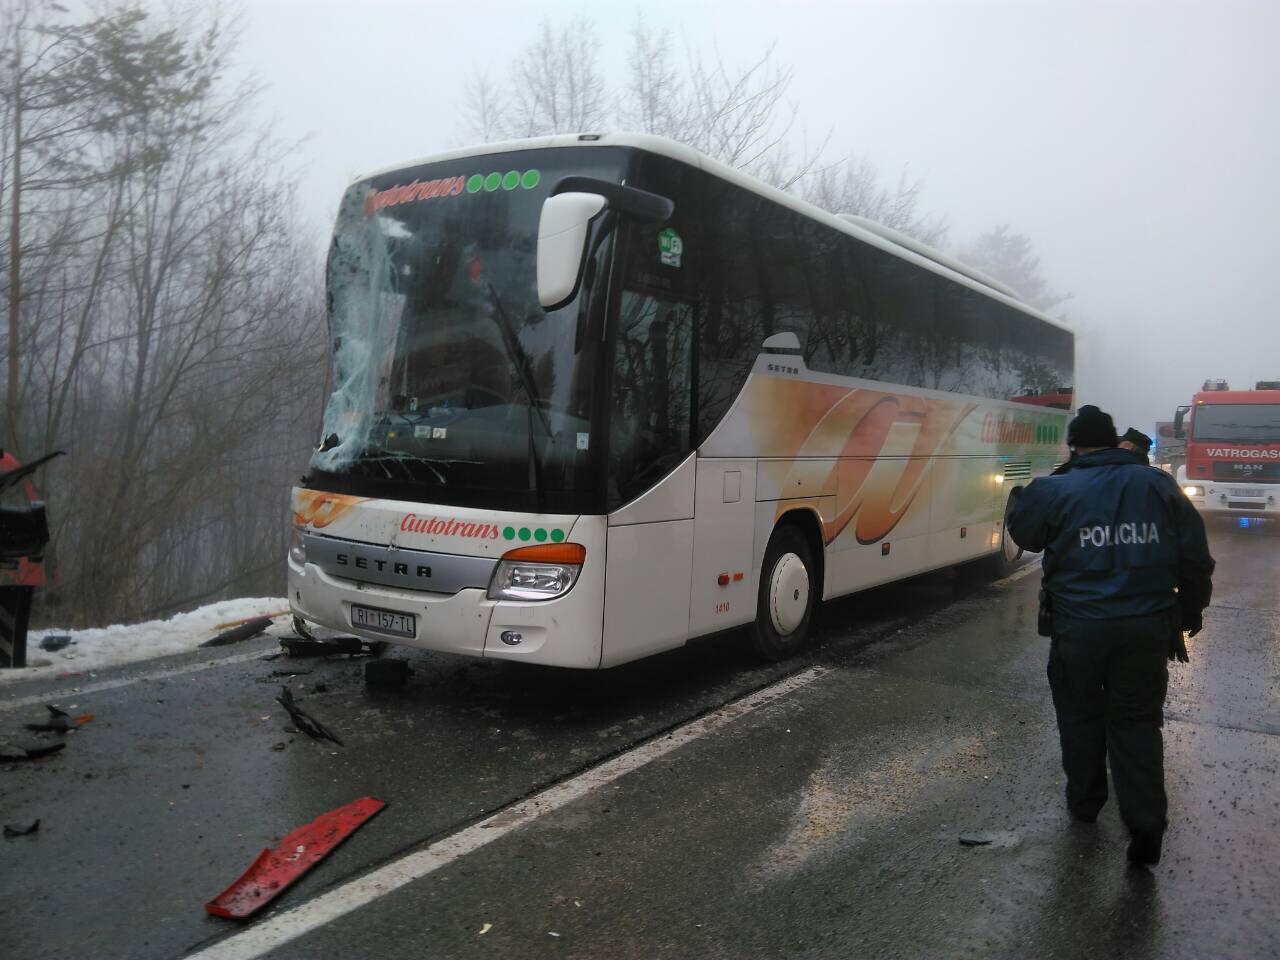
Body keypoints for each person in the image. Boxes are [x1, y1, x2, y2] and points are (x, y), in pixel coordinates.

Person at [1007, 404, 1214, 867]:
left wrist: (1021, 498)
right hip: (1145, 628)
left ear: (1075, 445)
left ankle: (1085, 805)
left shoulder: (1054, 488)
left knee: (1080, 716)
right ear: (1116, 440)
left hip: (1078, 629)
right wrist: (1191, 608)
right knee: (1137, 721)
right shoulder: (1158, 484)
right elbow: (1194, 554)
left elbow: (1027, 536)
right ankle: (1145, 823)